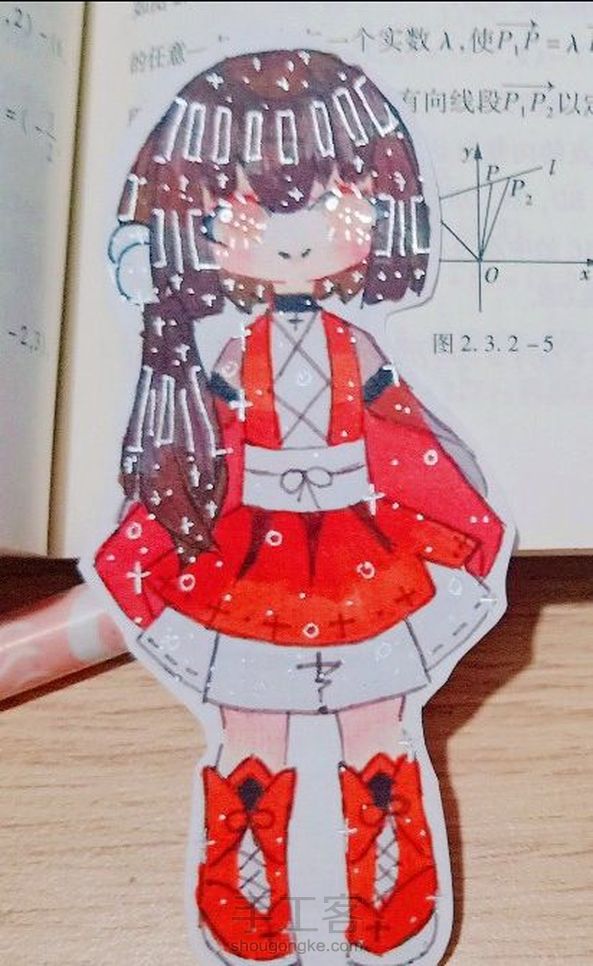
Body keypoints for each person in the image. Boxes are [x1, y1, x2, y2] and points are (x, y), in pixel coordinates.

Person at [94, 49, 510, 966]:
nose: (293, 233)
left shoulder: (361, 350)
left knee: (378, 727)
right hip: (250, 557)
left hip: (365, 553)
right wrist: (147, 539)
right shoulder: (219, 362)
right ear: (192, 226)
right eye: (241, 206)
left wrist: (465, 524)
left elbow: (408, 448)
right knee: (250, 733)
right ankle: (245, 895)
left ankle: (391, 892)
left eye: (329, 200)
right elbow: (196, 454)